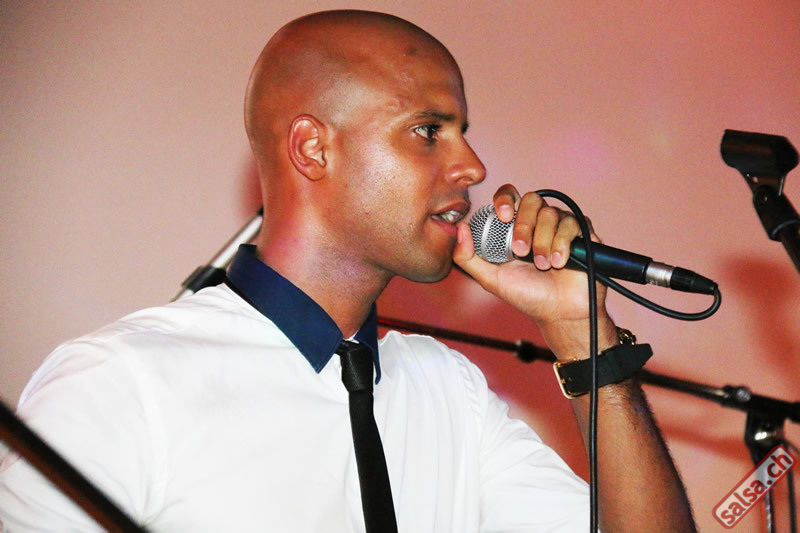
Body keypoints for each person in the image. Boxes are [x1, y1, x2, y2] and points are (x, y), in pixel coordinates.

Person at [0, 10, 695, 532]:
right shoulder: (124, 381)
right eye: (429, 130)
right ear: (313, 149)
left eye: (463, 131)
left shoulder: (448, 389)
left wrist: (580, 331)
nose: (472, 167)